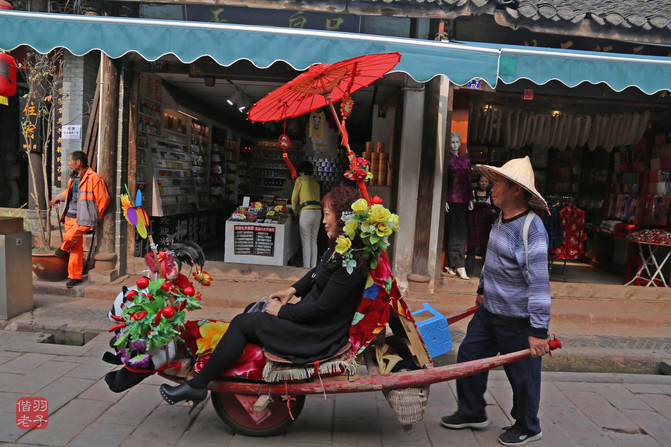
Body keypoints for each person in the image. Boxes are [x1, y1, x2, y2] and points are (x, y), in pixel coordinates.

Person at [159, 185, 368, 406]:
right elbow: (317, 273)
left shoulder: (351, 265)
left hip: (317, 335)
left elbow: (321, 309)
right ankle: (236, 361)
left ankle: (197, 386)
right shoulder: (340, 248)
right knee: (253, 309)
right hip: (313, 322)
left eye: (327, 215)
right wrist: (291, 291)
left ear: (344, 219)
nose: (324, 221)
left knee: (242, 322)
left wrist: (283, 311)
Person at [441, 156, 551, 447]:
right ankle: (472, 411)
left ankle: (528, 426)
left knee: (523, 376)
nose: (491, 187)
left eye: (497, 182)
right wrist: (481, 288)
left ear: (516, 189)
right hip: (490, 312)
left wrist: (539, 331)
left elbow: (539, 282)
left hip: (517, 319)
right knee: (469, 357)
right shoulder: (501, 219)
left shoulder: (532, 229)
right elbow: (491, 261)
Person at [50, 151, 110, 288]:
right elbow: (71, 193)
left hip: (84, 217)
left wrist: (96, 215)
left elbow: (104, 199)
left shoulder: (94, 178)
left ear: (79, 162)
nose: (68, 164)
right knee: (76, 247)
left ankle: (63, 247)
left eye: (70, 161)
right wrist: (58, 197)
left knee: (69, 238)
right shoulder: (74, 178)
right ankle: (75, 276)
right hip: (70, 216)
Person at [444, 132, 473, 280]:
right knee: (456, 232)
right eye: (452, 142)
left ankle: (450, 264)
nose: (454, 145)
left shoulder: (465, 161)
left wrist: (471, 199)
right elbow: (444, 181)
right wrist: (444, 199)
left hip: (463, 199)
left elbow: (468, 180)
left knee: (460, 231)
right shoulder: (447, 160)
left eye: (457, 142)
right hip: (451, 199)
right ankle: (459, 264)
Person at [465, 174, 497, 276]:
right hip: (474, 223)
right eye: (482, 181)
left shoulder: (491, 194)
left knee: (486, 248)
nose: (484, 184)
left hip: (486, 224)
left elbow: (495, 209)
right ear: (478, 182)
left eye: (486, 182)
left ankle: (485, 273)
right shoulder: (472, 193)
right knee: (471, 248)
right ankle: (468, 272)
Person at [292, 161, 322, 268]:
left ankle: (305, 268)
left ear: (301, 172)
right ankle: (313, 268)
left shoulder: (300, 180)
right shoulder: (316, 182)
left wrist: (295, 210)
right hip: (318, 212)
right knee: (314, 240)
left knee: (306, 242)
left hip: (306, 212)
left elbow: (294, 198)